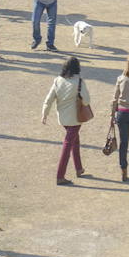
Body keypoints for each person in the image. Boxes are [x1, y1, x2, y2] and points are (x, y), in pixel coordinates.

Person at [41, 56, 90, 186]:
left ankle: (79, 168)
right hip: (75, 118)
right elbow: (86, 101)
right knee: (68, 144)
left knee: (75, 140)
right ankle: (60, 175)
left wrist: (44, 114)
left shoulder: (57, 80)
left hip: (62, 118)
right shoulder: (79, 81)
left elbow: (49, 99)